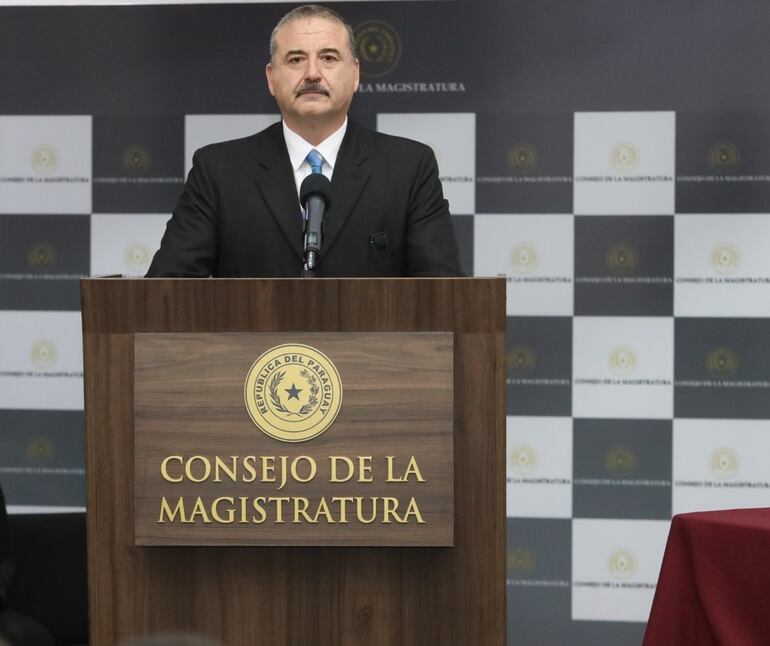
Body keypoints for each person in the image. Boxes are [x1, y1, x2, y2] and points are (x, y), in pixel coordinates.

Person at [146, 4, 462, 278]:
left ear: (355, 75)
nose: (312, 73)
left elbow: (444, 297)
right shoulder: (218, 170)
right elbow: (166, 291)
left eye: (328, 58)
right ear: (271, 78)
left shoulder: (409, 168)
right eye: (296, 59)